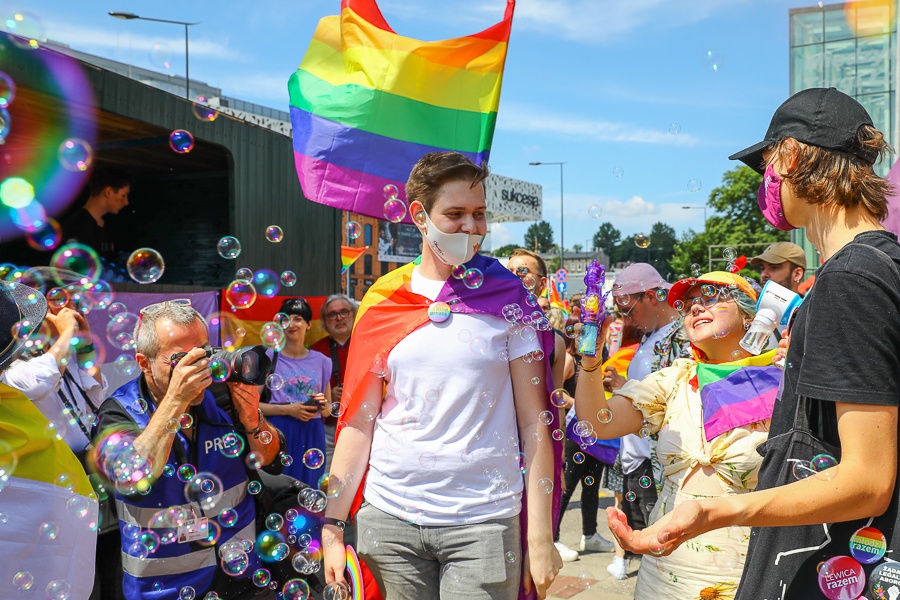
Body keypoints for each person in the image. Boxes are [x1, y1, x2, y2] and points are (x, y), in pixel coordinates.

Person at [609, 88, 900, 600]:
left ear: (788, 157)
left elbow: (868, 478)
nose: (766, 183)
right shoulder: (876, 265)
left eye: (766, 165)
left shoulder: (851, 277)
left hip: (835, 564)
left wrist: (716, 511)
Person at [322, 151, 562, 599]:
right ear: (419, 215)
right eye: (454, 215)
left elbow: (536, 424)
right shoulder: (382, 302)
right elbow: (359, 420)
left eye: (479, 214)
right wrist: (334, 527)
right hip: (388, 522)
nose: (471, 228)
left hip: (486, 523)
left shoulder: (511, 300)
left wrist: (539, 535)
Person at [578, 272, 780, 597]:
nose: (696, 307)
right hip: (665, 573)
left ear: (750, 315)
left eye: (711, 296)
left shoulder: (783, 379)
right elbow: (598, 423)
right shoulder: (675, 380)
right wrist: (590, 359)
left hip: (746, 574)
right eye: (688, 305)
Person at [95, 300, 287, 600]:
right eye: (182, 359)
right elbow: (131, 480)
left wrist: (253, 420)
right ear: (144, 363)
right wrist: (176, 401)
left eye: (204, 353)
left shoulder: (221, 396)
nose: (199, 368)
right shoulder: (120, 412)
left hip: (244, 577)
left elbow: (272, 460)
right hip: (164, 590)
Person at [0, 281, 99, 600]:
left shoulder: (61, 362)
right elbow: (43, 378)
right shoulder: (15, 373)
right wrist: (67, 330)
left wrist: (81, 343)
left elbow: (95, 393)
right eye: (49, 311)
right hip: (45, 488)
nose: (59, 314)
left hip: (75, 476)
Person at [603, 262, 692, 577]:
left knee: (666, 559)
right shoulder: (652, 335)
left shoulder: (682, 336)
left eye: (628, 310)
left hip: (660, 465)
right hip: (636, 460)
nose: (625, 319)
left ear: (652, 296)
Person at [260, 297, 332, 488]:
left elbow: (327, 411)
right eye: (286, 319)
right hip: (279, 431)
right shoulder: (268, 357)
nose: (291, 324)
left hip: (312, 433)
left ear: (309, 324)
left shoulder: (323, 361)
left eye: (298, 318)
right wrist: (288, 410)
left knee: (309, 489)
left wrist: (323, 404)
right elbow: (252, 406)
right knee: (280, 490)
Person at [310, 293, 357, 471]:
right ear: (325, 321)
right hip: (328, 426)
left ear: (353, 314)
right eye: (332, 314)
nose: (339, 318)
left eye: (344, 312)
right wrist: (330, 394)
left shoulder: (367, 343)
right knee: (326, 474)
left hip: (362, 423)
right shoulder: (316, 349)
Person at [62, 166, 130, 259]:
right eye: (123, 195)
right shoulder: (79, 225)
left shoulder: (106, 223)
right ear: (109, 192)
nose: (126, 202)